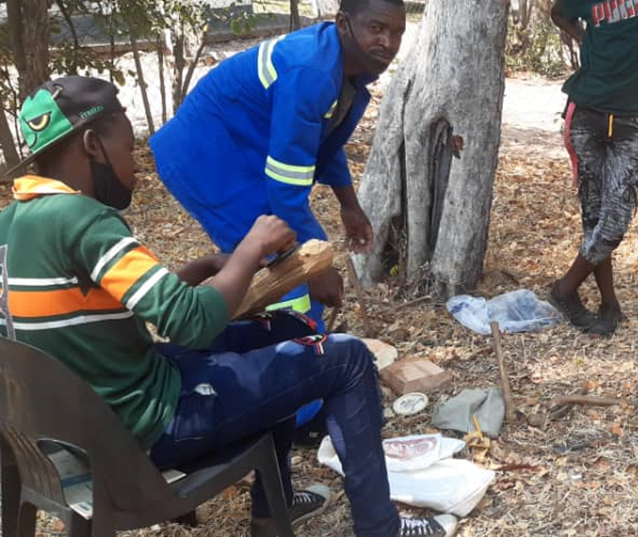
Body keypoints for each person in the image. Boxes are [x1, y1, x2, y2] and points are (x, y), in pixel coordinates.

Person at [0, 77, 455, 537]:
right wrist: (250, 249)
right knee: (350, 358)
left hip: (80, 422)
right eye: (129, 148)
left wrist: (198, 268)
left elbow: (94, 309)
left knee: (281, 329)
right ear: (93, 144)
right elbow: (191, 323)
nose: (138, 164)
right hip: (142, 429)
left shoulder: (13, 223)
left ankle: (270, 511)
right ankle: (382, 528)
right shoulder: (84, 220)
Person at [150, 0, 407, 329]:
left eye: (397, 32)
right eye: (376, 29)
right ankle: (294, 351)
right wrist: (314, 265)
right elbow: (285, 190)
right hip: (207, 159)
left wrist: (349, 205)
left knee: (274, 257)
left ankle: (286, 343)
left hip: (238, 155)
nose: (389, 42)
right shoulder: (311, 72)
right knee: (276, 259)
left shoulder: (347, 68)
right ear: (343, 23)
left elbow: (323, 140)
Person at [547, 0, 638, 335]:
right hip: (585, 114)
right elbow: (559, 12)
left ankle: (564, 290)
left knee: (615, 219)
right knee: (595, 218)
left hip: (629, 121)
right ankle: (609, 305)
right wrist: (584, 38)